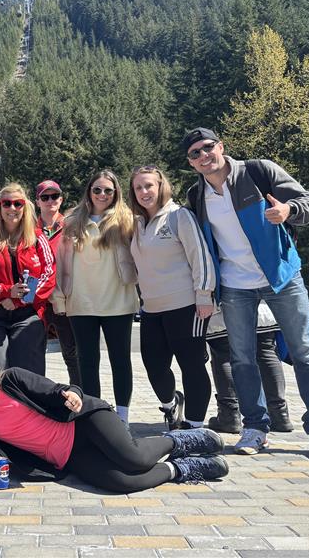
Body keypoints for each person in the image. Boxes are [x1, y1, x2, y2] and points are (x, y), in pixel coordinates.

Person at [182, 127, 309, 459]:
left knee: (305, 353)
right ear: (191, 163)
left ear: (221, 146)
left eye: (207, 147)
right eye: (195, 153)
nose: (203, 155)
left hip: (281, 276)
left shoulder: (258, 171)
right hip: (235, 285)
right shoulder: (197, 197)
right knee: (241, 359)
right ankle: (255, 428)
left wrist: (287, 211)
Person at [0, 346, 228, 493]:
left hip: (84, 423)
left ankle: (177, 440)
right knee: (121, 484)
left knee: (134, 459)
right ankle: (182, 469)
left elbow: (52, 390)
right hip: (67, 458)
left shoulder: (12, 380)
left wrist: (70, 393)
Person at [128, 165, 215, 430]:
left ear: (161, 186)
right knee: (154, 366)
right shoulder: (137, 223)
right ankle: (170, 404)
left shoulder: (179, 216)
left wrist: (203, 294)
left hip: (186, 306)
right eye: (139, 187)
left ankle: (195, 426)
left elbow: (200, 256)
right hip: (151, 309)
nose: (144, 191)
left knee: (191, 366)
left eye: (149, 185)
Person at [52, 170, 138, 425]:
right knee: (87, 362)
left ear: (116, 193)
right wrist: (60, 297)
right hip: (82, 302)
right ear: (89, 191)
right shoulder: (72, 221)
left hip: (118, 300)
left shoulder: (127, 220)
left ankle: (122, 417)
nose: (102, 195)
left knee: (120, 360)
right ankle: (95, 417)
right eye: (97, 189)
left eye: (108, 190)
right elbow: (62, 264)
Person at [0, 183, 55, 376]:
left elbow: (48, 274)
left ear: (26, 207)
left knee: (29, 376)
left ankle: (30, 407)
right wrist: (5, 292)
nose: (12, 208)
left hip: (27, 314)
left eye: (18, 203)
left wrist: (19, 299)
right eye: (6, 204)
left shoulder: (38, 237)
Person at [206, 304, 293, 434]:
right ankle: (280, 414)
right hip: (262, 307)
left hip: (226, 306)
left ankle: (230, 414)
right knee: (266, 351)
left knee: (223, 354)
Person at [34, 180, 80, 386]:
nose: (50, 201)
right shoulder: (28, 228)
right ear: (37, 202)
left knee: (72, 353)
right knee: (34, 353)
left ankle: (81, 397)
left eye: (54, 196)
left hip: (65, 297)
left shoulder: (72, 225)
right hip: (38, 300)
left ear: (61, 199)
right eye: (45, 197)